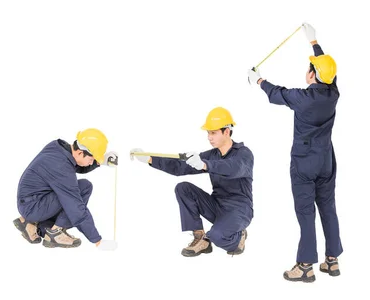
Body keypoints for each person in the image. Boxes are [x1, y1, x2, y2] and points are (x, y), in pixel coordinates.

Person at [248, 22, 342, 283]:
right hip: (326, 161)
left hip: (304, 163)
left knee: (305, 212)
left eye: (310, 68)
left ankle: (305, 266)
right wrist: (314, 43)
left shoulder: (303, 98)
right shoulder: (333, 92)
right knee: (328, 208)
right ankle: (332, 261)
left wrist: (257, 79)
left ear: (312, 75)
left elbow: (277, 93)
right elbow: (329, 71)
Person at [131, 107, 254, 257]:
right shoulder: (211, 155)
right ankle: (200, 238)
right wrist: (150, 159)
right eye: (208, 133)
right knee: (183, 188)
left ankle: (238, 236)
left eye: (213, 132)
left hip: (239, 210)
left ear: (226, 132)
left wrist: (206, 165)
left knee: (216, 235)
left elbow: (234, 168)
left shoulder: (244, 154)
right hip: (217, 205)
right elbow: (180, 167)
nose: (209, 137)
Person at [13, 128, 118, 250]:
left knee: (84, 186)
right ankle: (55, 232)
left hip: (32, 201)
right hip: (33, 208)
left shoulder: (58, 148)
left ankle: (31, 224)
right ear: (80, 152)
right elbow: (75, 207)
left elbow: (75, 165)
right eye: (91, 160)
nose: (91, 163)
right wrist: (97, 240)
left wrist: (100, 161)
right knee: (77, 196)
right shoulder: (61, 167)